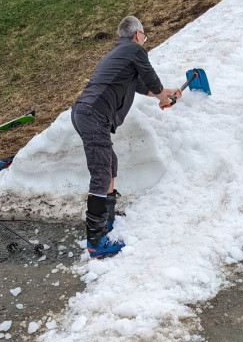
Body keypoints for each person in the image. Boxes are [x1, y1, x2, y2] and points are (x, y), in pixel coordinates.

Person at [71, 15, 182, 258]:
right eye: (145, 37)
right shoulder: (134, 49)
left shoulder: (121, 54)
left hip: (87, 113)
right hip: (94, 114)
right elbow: (151, 78)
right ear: (138, 34)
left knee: (109, 163)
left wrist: (166, 92)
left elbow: (143, 86)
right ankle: (96, 241)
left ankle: (108, 219)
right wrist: (163, 97)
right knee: (101, 173)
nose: (144, 41)